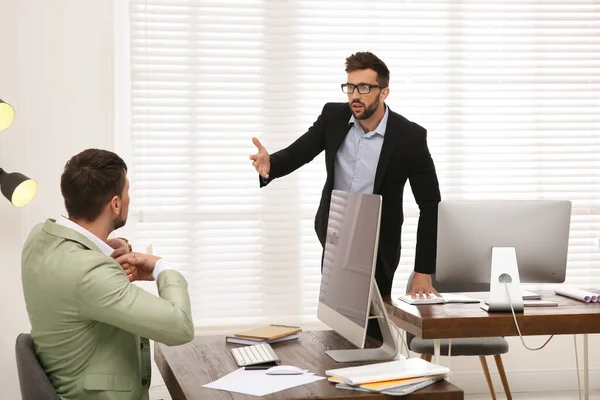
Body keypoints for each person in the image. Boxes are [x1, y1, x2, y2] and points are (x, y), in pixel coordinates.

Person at [250, 51, 441, 299]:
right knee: (337, 317)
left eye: (363, 87)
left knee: (372, 324)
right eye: (350, 87)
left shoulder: (410, 137)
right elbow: (301, 152)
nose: (355, 96)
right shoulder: (333, 117)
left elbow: (430, 204)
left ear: (383, 92)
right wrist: (271, 165)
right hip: (335, 235)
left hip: (378, 242)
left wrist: (423, 271)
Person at [21, 149, 194, 400]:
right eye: (127, 192)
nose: (128, 198)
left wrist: (109, 248)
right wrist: (161, 267)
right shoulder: (89, 272)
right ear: (115, 204)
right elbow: (181, 327)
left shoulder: (39, 237)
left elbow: (80, 263)